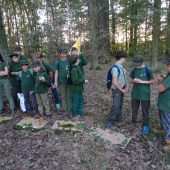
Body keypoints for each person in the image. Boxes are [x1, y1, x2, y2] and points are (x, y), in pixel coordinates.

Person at [129, 55, 154, 133]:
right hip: (135, 93)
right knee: (134, 109)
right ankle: (134, 121)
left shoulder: (148, 69)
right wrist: (134, 81)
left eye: (139, 64)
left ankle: (145, 125)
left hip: (145, 94)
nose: (137, 66)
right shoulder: (134, 70)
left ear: (143, 62)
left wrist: (142, 81)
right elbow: (131, 80)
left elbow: (152, 81)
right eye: (136, 64)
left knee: (145, 110)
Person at [106, 51, 129, 128]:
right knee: (115, 105)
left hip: (122, 88)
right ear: (121, 58)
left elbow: (125, 78)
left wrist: (127, 86)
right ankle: (111, 120)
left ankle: (119, 118)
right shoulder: (115, 69)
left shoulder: (122, 67)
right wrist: (122, 90)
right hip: (116, 90)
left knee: (120, 104)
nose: (125, 59)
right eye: (125, 58)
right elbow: (115, 82)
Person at [69, 54, 89, 120]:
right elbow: (75, 80)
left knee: (80, 102)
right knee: (75, 103)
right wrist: (84, 81)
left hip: (80, 89)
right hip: (75, 90)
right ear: (77, 60)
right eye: (78, 58)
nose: (79, 59)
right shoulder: (74, 69)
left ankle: (80, 113)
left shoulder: (78, 67)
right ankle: (74, 114)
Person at [53, 47, 72, 115]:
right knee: (63, 96)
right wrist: (55, 82)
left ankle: (69, 109)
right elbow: (56, 72)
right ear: (60, 54)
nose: (65, 55)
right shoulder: (58, 62)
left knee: (69, 96)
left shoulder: (69, 60)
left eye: (66, 54)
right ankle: (65, 109)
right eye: (63, 54)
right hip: (62, 82)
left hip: (69, 82)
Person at [157, 57, 170, 151]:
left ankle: (168, 141)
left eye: (168, 66)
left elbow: (160, 88)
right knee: (162, 118)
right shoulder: (168, 75)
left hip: (167, 104)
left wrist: (160, 82)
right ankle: (162, 129)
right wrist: (160, 80)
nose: (166, 67)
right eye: (166, 65)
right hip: (163, 103)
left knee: (168, 122)